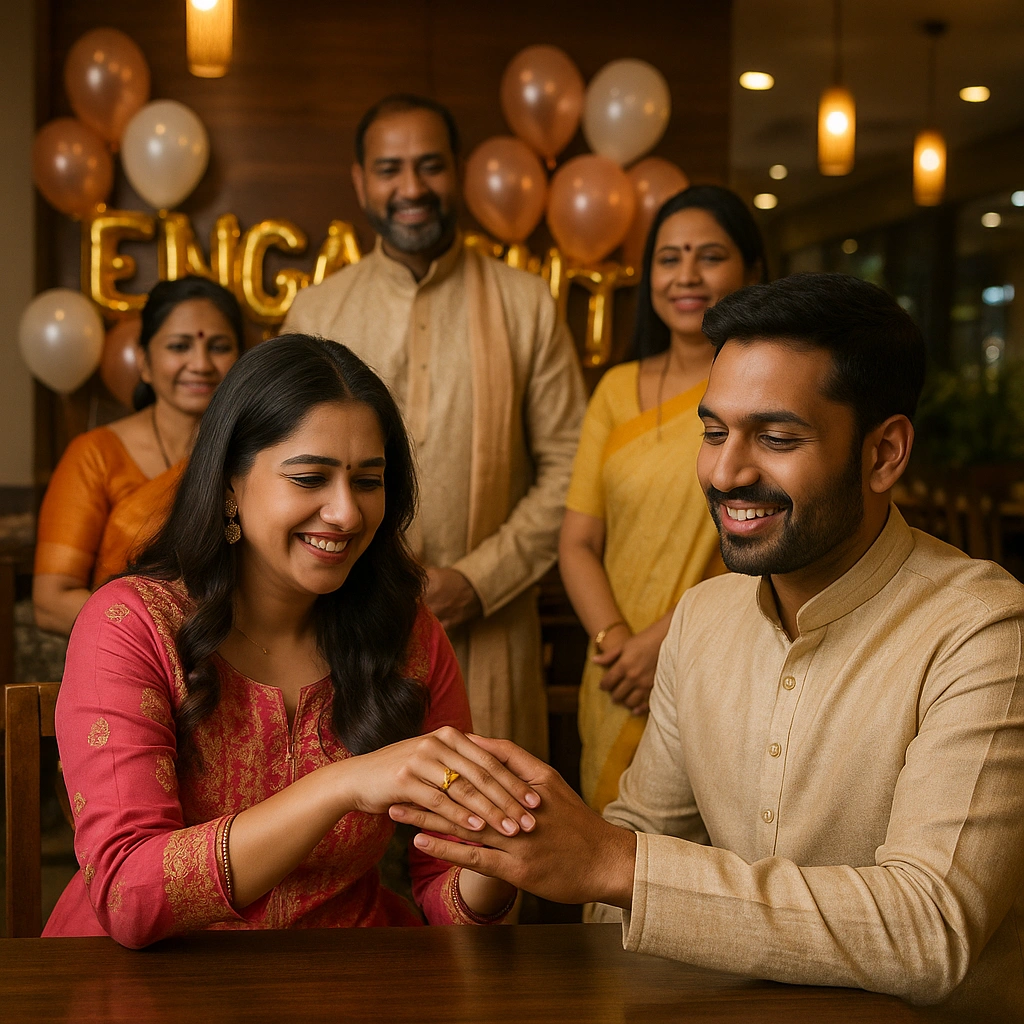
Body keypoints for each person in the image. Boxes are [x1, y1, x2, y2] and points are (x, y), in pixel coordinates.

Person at [394, 275, 1024, 1019]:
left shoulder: (983, 628)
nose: (725, 473)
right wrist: (533, 847)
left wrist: (613, 864)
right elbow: (634, 846)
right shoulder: (703, 618)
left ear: (884, 453)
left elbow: (931, 928)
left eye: (778, 438)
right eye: (714, 431)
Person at [44, 335, 537, 946]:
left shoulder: (406, 633)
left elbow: (442, 881)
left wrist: (500, 848)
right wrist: (341, 784)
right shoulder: (131, 624)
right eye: (310, 478)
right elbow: (128, 895)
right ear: (229, 483)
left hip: (343, 977)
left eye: (367, 481)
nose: (346, 514)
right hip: (149, 980)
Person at [282, 94, 586, 758]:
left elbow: (573, 466)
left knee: (489, 835)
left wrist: (479, 580)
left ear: (459, 173)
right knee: (341, 837)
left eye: (429, 166)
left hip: (489, 632)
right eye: (390, 169)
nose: (411, 188)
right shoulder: (316, 312)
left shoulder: (525, 305)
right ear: (361, 181)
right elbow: (278, 470)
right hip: (338, 628)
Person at [560, 186, 764, 812]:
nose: (687, 275)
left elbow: (764, 535)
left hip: (719, 657)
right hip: (617, 677)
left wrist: (664, 645)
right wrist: (617, 644)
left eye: (710, 256)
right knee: (609, 853)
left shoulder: (766, 387)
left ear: (752, 270)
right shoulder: (617, 389)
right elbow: (577, 541)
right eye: (670, 257)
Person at [33, 277, 243, 635]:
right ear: (144, 361)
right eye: (179, 346)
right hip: (126, 654)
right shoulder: (96, 454)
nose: (201, 363)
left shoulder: (255, 454)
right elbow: (51, 602)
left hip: (235, 655)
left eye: (219, 347)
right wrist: (161, 638)